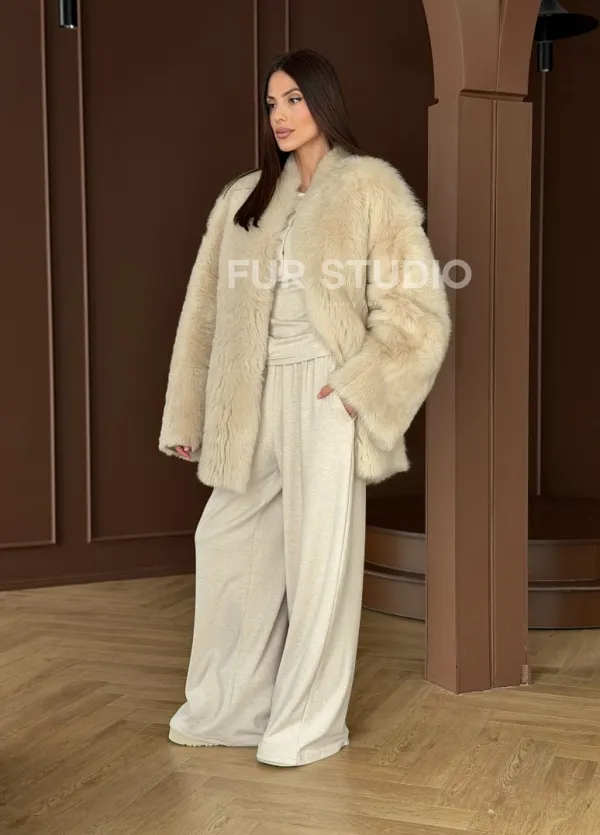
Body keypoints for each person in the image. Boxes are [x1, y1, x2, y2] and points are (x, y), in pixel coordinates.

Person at [158, 47, 451, 768]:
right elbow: (203, 312)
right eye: (272, 104)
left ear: (324, 100)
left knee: (318, 560)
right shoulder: (244, 198)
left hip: (325, 389)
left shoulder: (370, 189)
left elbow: (418, 313)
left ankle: (304, 725)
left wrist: (358, 388)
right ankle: (231, 708)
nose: (281, 115)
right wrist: (188, 415)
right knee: (228, 542)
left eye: (293, 99)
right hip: (250, 393)